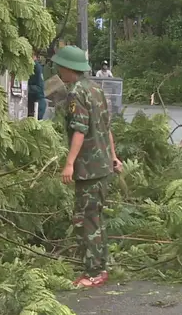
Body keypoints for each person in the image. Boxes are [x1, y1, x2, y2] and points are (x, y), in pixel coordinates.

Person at [51, 45, 123, 288]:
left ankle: (94, 272)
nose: (59, 70)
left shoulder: (77, 93)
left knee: (87, 218)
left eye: (61, 66)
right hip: (102, 165)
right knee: (94, 217)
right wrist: (113, 156)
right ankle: (99, 265)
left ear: (69, 69)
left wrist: (69, 163)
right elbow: (107, 126)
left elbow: (80, 130)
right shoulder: (96, 90)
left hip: (89, 167)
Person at [28, 50, 46, 119]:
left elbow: (40, 88)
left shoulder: (36, 67)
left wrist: (26, 88)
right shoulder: (30, 66)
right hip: (31, 102)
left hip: (37, 103)